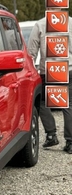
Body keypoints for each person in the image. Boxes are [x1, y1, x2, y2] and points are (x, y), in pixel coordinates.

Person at [27, 9, 72, 154]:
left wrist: (29, 71)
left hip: (49, 71)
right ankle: (70, 142)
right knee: (69, 104)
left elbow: (31, 52)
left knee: (41, 102)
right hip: (69, 69)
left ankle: (51, 134)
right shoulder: (70, 22)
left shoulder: (40, 25)